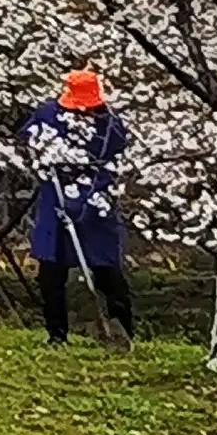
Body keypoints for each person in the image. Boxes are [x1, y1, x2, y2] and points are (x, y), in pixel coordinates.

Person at [27, 69, 136, 349]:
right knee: (51, 270)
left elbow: (117, 158)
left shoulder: (109, 125)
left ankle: (122, 329)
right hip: (57, 198)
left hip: (95, 200)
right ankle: (56, 334)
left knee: (106, 268)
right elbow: (29, 145)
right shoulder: (49, 115)